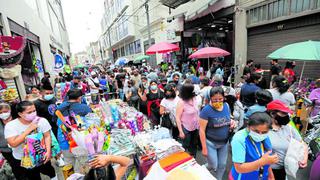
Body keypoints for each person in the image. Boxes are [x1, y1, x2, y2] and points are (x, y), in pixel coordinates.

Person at [4, 101, 57, 180]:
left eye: (34, 111)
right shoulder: (11, 126)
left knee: (49, 170)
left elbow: (47, 136)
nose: (33, 113)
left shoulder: (42, 121)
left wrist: (48, 151)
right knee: (33, 176)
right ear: (20, 114)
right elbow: (13, 143)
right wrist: (29, 129)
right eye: (29, 112)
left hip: (41, 153)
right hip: (23, 158)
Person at [199, 87, 235, 180]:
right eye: (215, 100)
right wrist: (204, 148)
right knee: (213, 165)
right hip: (211, 143)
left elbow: (229, 117)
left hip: (224, 143)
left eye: (220, 99)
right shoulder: (206, 110)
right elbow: (201, 130)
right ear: (210, 98)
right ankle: (200, 170)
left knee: (222, 165)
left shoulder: (226, 106)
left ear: (224, 98)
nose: (218, 102)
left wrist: (232, 122)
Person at [266, 100, 308, 180]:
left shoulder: (289, 128)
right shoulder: (263, 130)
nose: (287, 116)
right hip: (268, 170)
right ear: (272, 114)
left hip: (284, 169)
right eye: (284, 113)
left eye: (287, 113)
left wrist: (304, 159)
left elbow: (302, 143)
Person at [231, 112, 278, 179]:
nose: (260, 134)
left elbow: (267, 159)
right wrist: (262, 161)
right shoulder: (239, 139)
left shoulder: (265, 137)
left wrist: (271, 177)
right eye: (256, 131)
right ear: (248, 126)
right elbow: (239, 168)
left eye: (264, 132)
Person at [56, 89, 92, 172]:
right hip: (79, 142)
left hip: (64, 141)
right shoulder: (84, 108)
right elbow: (91, 123)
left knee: (69, 165)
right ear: (79, 98)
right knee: (83, 166)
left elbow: (58, 124)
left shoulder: (60, 107)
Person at [0, 103, 25, 179]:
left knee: (27, 167)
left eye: (5, 111)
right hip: (7, 151)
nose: (3, 114)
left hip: (21, 148)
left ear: (10, 111)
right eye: (0, 113)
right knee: (16, 169)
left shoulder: (18, 119)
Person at [176, 83, 199, 157]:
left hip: (195, 127)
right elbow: (177, 118)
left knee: (194, 145)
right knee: (185, 145)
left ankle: (193, 159)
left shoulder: (194, 98)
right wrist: (181, 131)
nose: (194, 91)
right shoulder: (181, 102)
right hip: (186, 128)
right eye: (192, 90)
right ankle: (183, 160)